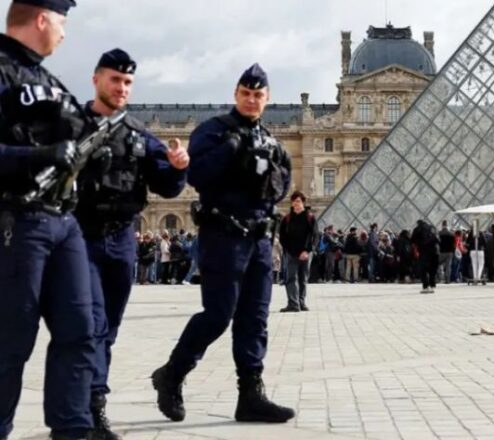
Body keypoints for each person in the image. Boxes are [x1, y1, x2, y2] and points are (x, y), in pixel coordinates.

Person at [151, 64, 295, 424]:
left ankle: (251, 395)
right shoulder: (213, 131)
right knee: (218, 315)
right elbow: (195, 175)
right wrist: (230, 150)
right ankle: (172, 373)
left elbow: (281, 187)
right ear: (236, 94)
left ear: (267, 98)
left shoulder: (271, 142)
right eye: (246, 93)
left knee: (255, 319)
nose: (251, 99)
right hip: (223, 235)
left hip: (260, 240)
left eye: (258, 94)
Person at [73, 48, 189, 439]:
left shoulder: (139, 134)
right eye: (115, 79)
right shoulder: (72, 125)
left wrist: (178, 168)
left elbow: (167, 187)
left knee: (108, 327)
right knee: (90, 324)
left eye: (127, 82)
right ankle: (88, 408)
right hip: (80, 236)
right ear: (96, 79)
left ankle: (91, 405)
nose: (121, 87)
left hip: (122, 238)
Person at [0, 1, 103, 439]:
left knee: (80, 331)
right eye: (62, 22)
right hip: (15, 219)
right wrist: (37, 156)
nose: (64, 33)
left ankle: (72, 429)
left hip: (62, 220)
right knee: (10, 339)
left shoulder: (50, 81)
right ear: (42, 18)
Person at [279, 191, 317, 312]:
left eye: (298, 201)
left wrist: (308, 251)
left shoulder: (310, 217)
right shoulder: (287, 218)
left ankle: (301, 302)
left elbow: (315, 235)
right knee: (291, 278)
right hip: (291, 254)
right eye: (294, 201)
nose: (296, 204)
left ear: (303, 202)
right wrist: (289, 251)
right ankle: (293, 304)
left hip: (306, 253)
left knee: (303, 279)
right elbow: (282, 237)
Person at [411, 219, 439, 294]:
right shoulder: (432, 228)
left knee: (423, 269)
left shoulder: (417, 229)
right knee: (432, 269)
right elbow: (437, 240)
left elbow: (412, 240)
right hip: (434, 251)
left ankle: (425, 286)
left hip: (423, 251)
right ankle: (432, 284)